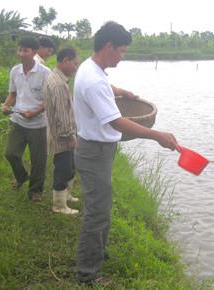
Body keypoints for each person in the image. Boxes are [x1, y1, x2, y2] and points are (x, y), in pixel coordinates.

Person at [73, 21, 179, 286]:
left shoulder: (90, 69)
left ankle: (99, 252)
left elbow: (103, 90)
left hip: (97, 150)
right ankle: (88, 273)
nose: (123, 56)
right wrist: (158, 136)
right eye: (121, 51)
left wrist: (120, 91)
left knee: (102, 207)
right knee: (97, 212)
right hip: (94, 152)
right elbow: (117, 122)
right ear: (108, 47)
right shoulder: (93, 79)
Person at [2, 36, 51, 202]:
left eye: (25, 50)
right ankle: (22, 176)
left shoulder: (45, 73)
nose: (21, 53)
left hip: (38, 124)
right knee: (10, 153)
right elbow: (13, 94)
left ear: (34, 52)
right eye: (20, 49)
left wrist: (36, 112)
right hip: (18, 121)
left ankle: (35, 191)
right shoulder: (15, 71)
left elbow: (50, 100)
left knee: (39, 160)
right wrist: (6, 105)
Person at [43, 48, 80, 215]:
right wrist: (70, 136)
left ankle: (66, 196)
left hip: (60, 134)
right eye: (74, 63)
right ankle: (59, 205)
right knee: (62, 170)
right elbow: (62, 115)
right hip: (61, 137)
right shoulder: (58, 84)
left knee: (70, 166)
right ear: (65, 60)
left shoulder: (56, 77)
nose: (75, 67)